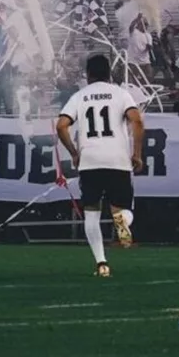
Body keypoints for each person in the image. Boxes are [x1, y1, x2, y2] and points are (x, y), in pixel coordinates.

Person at [55, 54, 144, 277]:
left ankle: (101, 263)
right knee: (122, 209)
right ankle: (122, 222)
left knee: (92, 213)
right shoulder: (121, 94)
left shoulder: (79, 96)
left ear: (88, 74)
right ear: (109, 73)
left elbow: (61, 126)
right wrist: (137, 153)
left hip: (90, 160)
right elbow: (137, 121)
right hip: (117, 159)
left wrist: (74, 153)